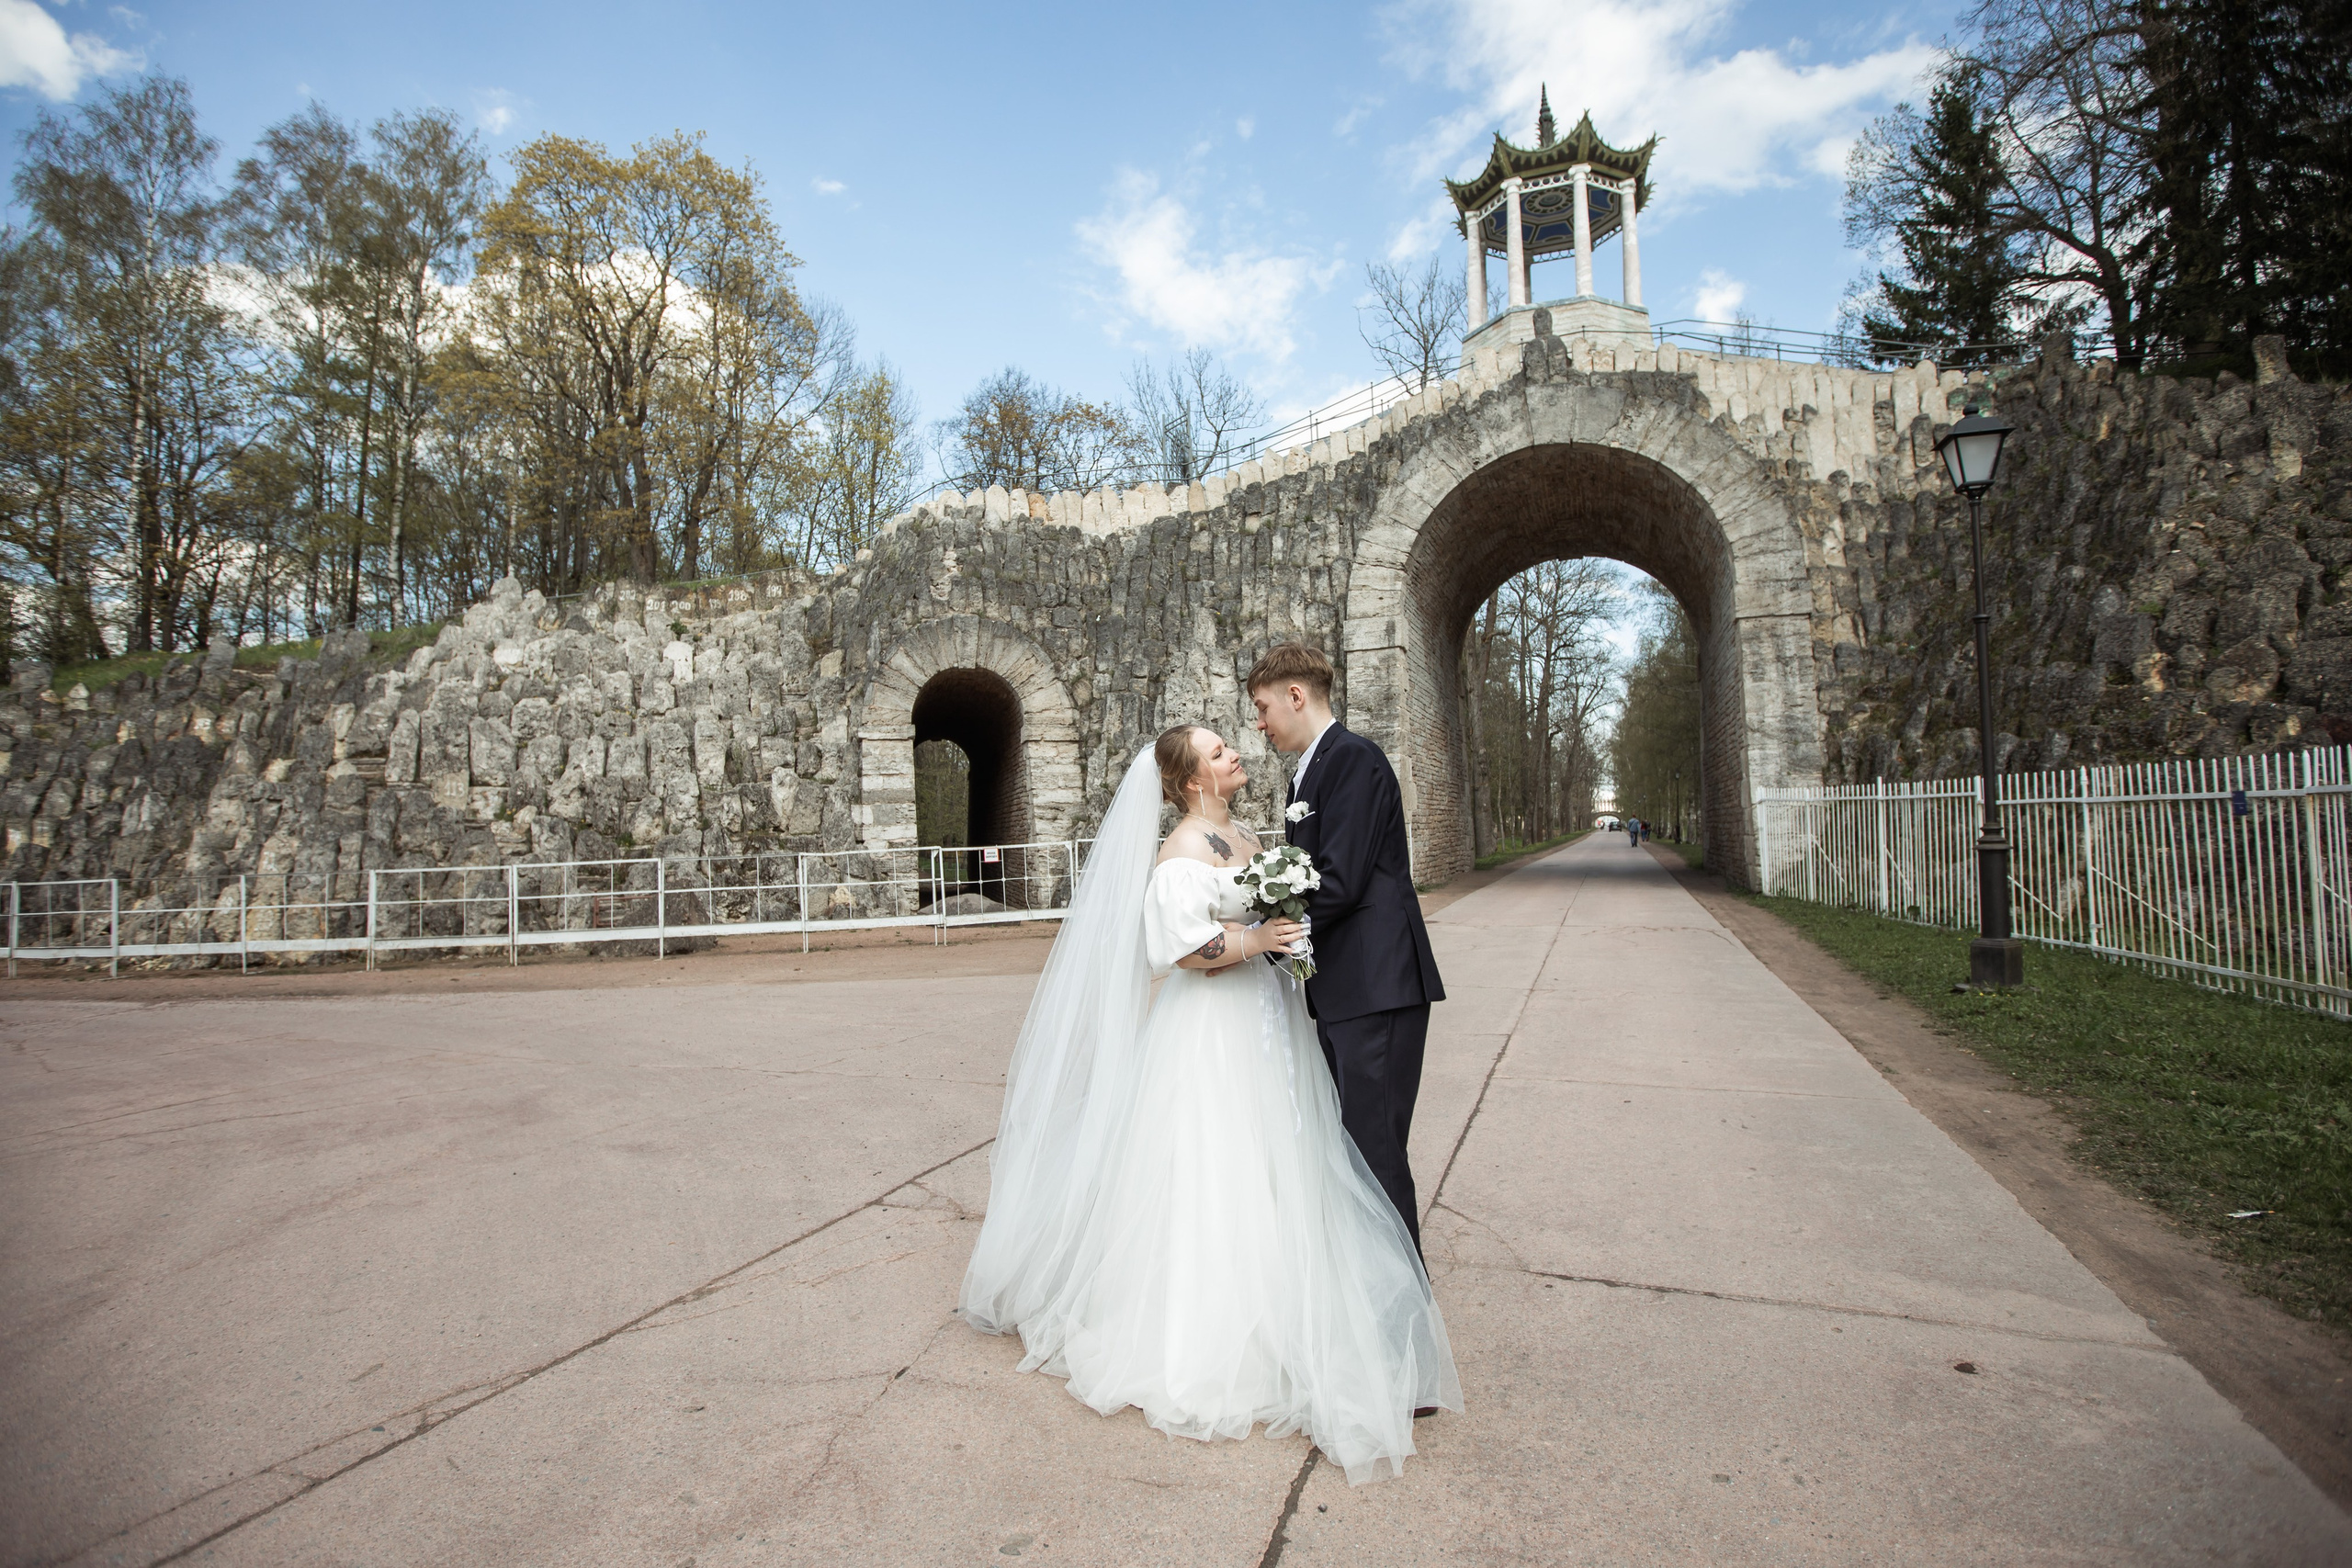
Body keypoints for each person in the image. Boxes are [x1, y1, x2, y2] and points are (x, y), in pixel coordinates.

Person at [958, 726, 1460, 1484]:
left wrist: (1282, 937)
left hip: (1272, 1025)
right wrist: (1258, 940)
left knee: (1284, 1158)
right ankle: (1213, 1336)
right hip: (1210, 1033)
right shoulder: (1180, 853)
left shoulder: (1252, 834)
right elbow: (1187, 951)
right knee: (1213, 1162)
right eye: (1219, 750)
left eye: (1231, 743)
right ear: (1193, 780)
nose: (1235, 753)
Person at [1248, 642, 1446, 1258]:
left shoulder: (1354, 760)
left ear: (1296, 696)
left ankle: (1400, 1317)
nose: (1260, 723)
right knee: (1352, 1149)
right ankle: (1369, 1295)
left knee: (1375, 1154)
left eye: (1262, 707)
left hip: (1376, 986)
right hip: (1342, 990)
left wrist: (1264, 933)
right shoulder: (1305, 773)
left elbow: (1340, 879)